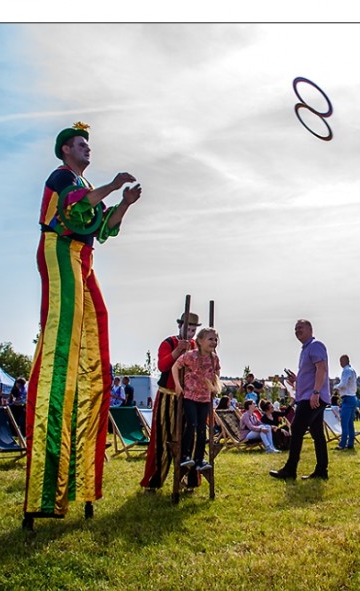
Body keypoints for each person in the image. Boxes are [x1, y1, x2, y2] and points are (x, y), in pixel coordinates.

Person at [24, 122, 142, 527]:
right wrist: (110, 187)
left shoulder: (85, 182)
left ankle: (81, 479)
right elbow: (77, 209)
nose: (87, 148)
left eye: (88, 144)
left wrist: (124, 202)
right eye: (80, 144)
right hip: (59, 252)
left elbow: (102, 229)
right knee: (63, 343)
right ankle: (47, 480)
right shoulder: (62, 177)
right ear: (64, 151)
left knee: (96, 329)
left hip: (82, 258)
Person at [141, 312, 200, 490]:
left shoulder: (197, 345)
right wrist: (177, 351)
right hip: (168, 395)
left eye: (193, 330)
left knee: (191, 438)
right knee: (163, 437)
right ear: (180, 326)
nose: (190, 333)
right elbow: (163, 365)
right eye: (187, 329)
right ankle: (155, 479)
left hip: (190, 397)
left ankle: (189, 480)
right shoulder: (168, 343)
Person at [269, 319, 331, 480]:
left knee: (296, 428)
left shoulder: (315, 346)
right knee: (317, 433)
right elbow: (312, 373)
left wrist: (316, 392)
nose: (297, 331)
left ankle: (290, 470)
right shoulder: (306, 349)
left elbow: (321, 369)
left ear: (310, 329)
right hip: (309, 396)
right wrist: (296, 380)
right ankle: (321, 471)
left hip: (311, 397)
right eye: (295, 329)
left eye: (300, 328)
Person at [171, 328, 224, 478]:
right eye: (210, 339)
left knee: (202, 429)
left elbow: (218, 370)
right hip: (190, 396)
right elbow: (175, 366)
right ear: (200, 341)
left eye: (215, 339)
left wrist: (215, 383)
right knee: (192, 424)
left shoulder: (214, 358)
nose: (213, 342)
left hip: (205, 398)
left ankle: (199, 459)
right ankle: (185, 456)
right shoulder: (190, 356)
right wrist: (177, 385)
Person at [333, 354, 359, 450]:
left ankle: (342, 444)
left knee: (344, 423)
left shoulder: (346, 370)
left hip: (347, 398)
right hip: (353, 397)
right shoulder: (352, 371)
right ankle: (350, 443)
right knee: (350, 423)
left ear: (344, 361)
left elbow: (343, 384)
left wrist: (335, 387)